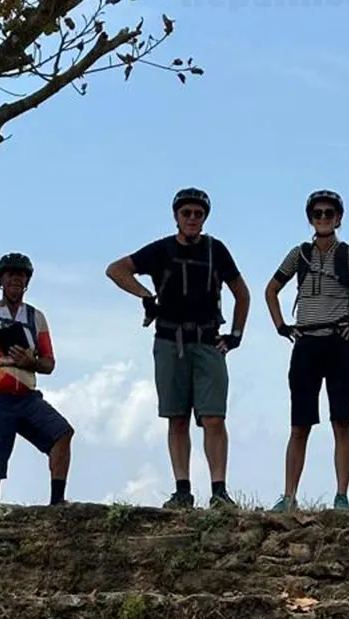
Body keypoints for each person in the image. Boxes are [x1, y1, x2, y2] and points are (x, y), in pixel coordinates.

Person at [105, 187, 251, 509]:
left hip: (208, 340)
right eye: (187, 213)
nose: (192, 219)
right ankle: (182, 489)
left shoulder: (217, 251)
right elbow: (116, 269)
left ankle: (219, 491)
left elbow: (242, 292)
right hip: (170, 340)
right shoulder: (162, 250)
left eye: (198, 214)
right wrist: (145, 295)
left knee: (214, 418)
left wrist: (235, 334)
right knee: (177, 417)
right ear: (176, 217)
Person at [263, 190, 349, 512]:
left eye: (329, 213)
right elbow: (271, 289)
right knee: (299, 425)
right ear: (310, 218)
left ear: (339, 218)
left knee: (342, 422)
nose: (323, 218)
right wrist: (282, 326)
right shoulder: (299, 254)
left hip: (339, 344)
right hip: (306, 342)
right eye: (318, 213)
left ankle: (342, 497)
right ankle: (289, 496)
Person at [0, 253, 73, 506]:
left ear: (27, 281)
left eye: (20, 275)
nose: (15, 280)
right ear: (0, 280)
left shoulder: (36, 318)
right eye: (10, 275)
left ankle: (57, 501)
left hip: (27, 397)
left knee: (62, 434)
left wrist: (30, 362)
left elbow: (49, 363)